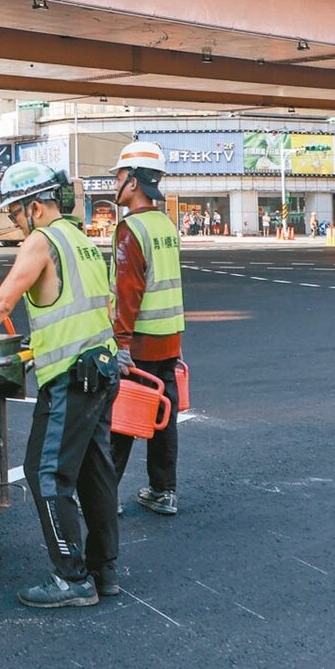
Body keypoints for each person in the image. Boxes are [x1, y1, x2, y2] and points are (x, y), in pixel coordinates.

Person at [0, 162, 122, 609]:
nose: (14, 222)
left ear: (35, 206)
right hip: (100, 368)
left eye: (15, 213)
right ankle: (104, 570)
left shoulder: (42, 240)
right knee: (96, 473)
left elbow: (2, 301)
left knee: (45, 472)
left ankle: (72, 578)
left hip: (72, 377)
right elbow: (85, 306)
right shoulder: (81, 239)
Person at [107, 141, 186, 518]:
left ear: (134, 182)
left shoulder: (130, 230)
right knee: (163, 417)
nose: (116, 183)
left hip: (137, 343)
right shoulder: (165, 226)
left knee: (120, 421)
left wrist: (120, 343)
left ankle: (103, 494)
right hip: (168, 340)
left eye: (120, 176)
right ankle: (163, 490)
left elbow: (128, 292)